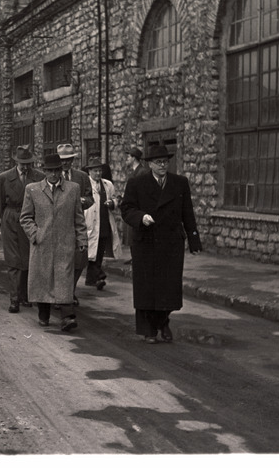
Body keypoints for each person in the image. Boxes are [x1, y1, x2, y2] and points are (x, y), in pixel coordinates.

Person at [119, 145, 202, 344]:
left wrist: (193, 239)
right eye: (158, 162)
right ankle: (149, 330)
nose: (163, 165)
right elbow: (127, 209)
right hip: (145, 242)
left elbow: (187, 212)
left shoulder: (180, 183)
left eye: (165, 161)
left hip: (171, 242)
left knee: (168, 287)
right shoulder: (136, 183)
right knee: (147, 288)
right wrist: (141, 217)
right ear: (150, 164)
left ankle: (163, 322)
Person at [20, 153, 88, 331]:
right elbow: (25, 217)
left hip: (65, 242)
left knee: (64, 279)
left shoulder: (73, 189)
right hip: (42, 243)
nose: (54, 174)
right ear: (44, 171)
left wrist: (82, 240)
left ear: (61, 170)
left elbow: (78, 218)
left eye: (57, 170)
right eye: (50, 171)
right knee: (44, 278)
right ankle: (44, 314)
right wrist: (35, 234)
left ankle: (68, 317)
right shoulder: (32, 189)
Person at [0, 146, 45, 313]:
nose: (25, 167)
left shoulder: (39, 176)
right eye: (22, 164)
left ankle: (26, 295)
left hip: (31, 218)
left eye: (28, 163)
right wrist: (5, 219)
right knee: (14, 260)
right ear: (15, 162)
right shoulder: (4, 178)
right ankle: (14, 298)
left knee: (30, 257)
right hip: (11, 217)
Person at [56, 144, 94, 306]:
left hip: (76, 223)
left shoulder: (82, 177)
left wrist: (81, 202)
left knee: (79, 260)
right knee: (59, 262)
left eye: (69, 160)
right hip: (58, 225)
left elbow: (90, 198)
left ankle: (70, 291)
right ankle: (60, 295)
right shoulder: (53, 176)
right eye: (63, 160)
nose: (66, 163)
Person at [83, 157, 122, 290]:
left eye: (100, 171)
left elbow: (115, 199)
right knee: (89, 251)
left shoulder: (108, 185)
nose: (98, 174)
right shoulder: (85, 184)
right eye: (95, 171)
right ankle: (97, 276)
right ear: (89, 172)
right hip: (90, 222)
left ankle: (93, 278)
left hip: (104, 221)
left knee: (99, 251)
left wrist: (112, 203)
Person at [122, 147, 149, 257]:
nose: (126, 159)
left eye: (128, 157)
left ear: (134, 158)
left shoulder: (142, 172)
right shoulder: (134, 172)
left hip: (138, 210)